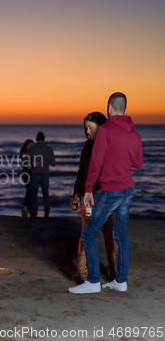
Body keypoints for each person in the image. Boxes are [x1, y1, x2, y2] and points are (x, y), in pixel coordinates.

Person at [69, 92, 143, 294]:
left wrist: (87, 190)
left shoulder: (106, 130)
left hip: (109, 191)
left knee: (88, 232)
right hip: (127, 190)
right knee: (122, 237)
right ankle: (121, 281)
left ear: (109, 107)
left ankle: (93, 282)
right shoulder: (135, 134)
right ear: (125, 109)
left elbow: (95, 163)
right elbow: (138, 163)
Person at [70, 112, 116, 281]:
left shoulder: (110, 145)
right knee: (86, 233)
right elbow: (81, 170)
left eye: (90, 127)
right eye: (86, 128)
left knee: (108, 234)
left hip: (105, 196)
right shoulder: (87, 145)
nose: (88, 132)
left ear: (101, 126)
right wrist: (76, 193)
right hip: (86, 197)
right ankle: (82, 270)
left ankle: (113, 271)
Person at [25, 132, 56, 218]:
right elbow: (53, 163)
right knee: (45, 194)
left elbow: (26, 161)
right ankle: (46, 213)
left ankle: (34, 212)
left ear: (36, 139)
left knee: (34, 194)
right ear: (44, 139)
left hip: (35, 173)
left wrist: (34, 163)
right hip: (45, 173)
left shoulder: (32, 149)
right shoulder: (49, 149)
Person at [20, 139, 34, 217]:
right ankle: (26, 207)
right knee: (29, 191)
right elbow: (26, 164)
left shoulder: (27, 153)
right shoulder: (25, 153)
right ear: (26, 145)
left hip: (27, 174)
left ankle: (27, 207)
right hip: (27, 174)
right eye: (30, 145)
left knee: (29, 191)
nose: (32, 147)